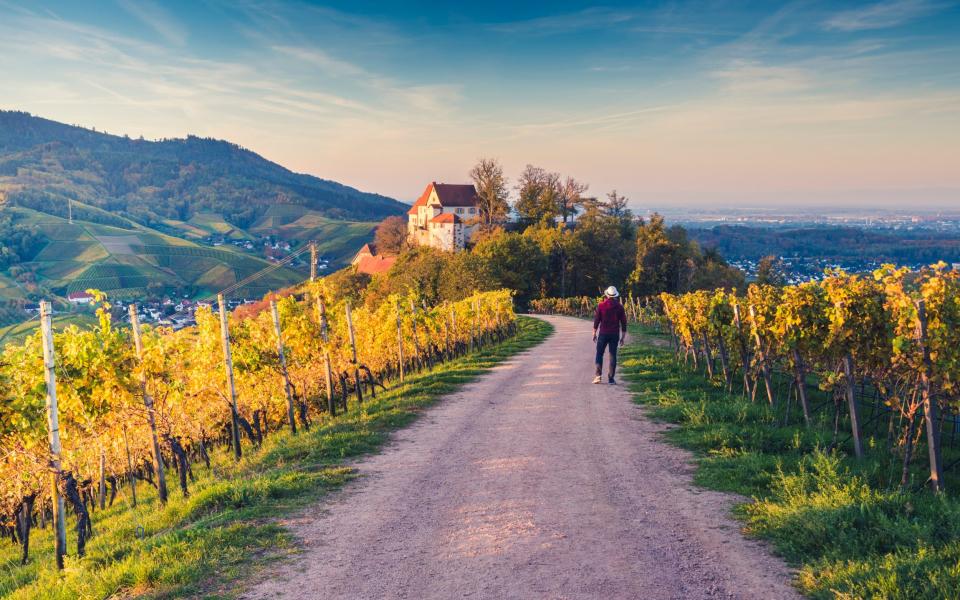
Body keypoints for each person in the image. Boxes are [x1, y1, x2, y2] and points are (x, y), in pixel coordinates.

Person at [592, 286, 627, 384]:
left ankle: (598, 376)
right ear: (616, 295)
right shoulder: (620, 307)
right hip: (614, 334)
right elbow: (623, 323)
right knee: (612, 355)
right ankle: (611, 379)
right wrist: (623, 337)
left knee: (599, 353)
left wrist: (594, 333)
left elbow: (596, 321)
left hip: (603, 333)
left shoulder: (601, 305)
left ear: (607, 295)